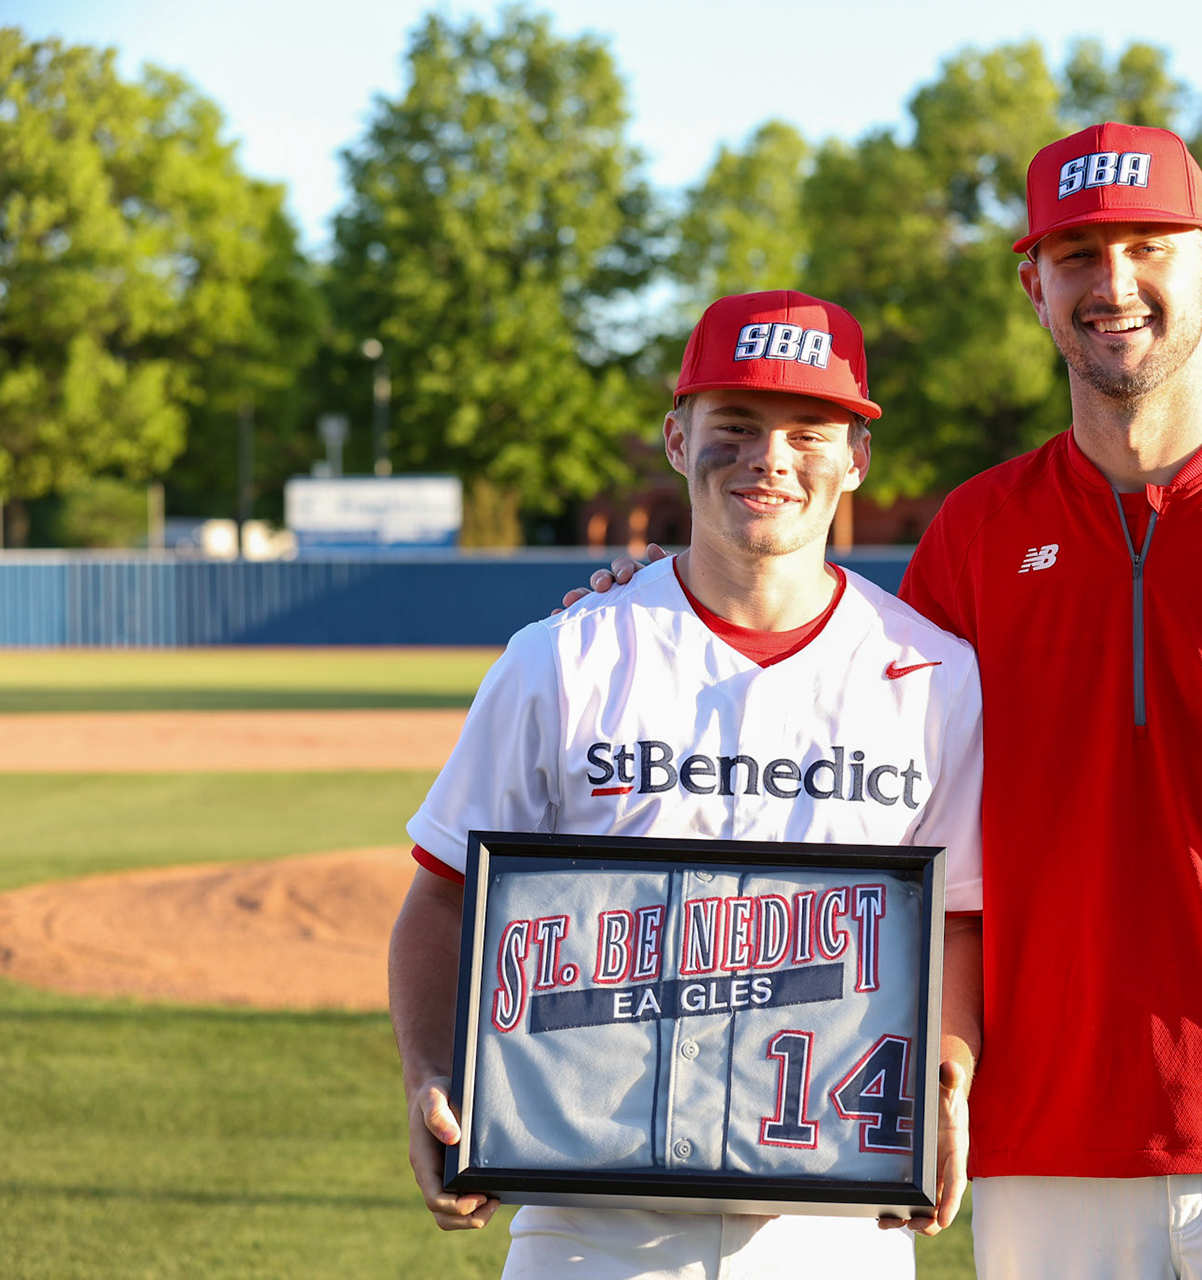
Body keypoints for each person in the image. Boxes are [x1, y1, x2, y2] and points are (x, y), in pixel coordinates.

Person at [578, 124, 1202, 1280]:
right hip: (1041, 1126)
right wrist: (672, 596)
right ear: (1035, 286)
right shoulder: (977, 534)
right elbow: (852, 733)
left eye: (1148, 246)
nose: (1114, 284)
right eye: (1079, 254)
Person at [389, 290, 985, 1280]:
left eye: (807, 430)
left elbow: (959, 917)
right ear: (676, 437)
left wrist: (946, 1072)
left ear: (856, 458)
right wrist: (431, 1073)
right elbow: (443, 894)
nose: (770, 457)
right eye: (736, 426)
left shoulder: (935, 674)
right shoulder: (562, 657)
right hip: (586, 1214)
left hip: (832, 1220)